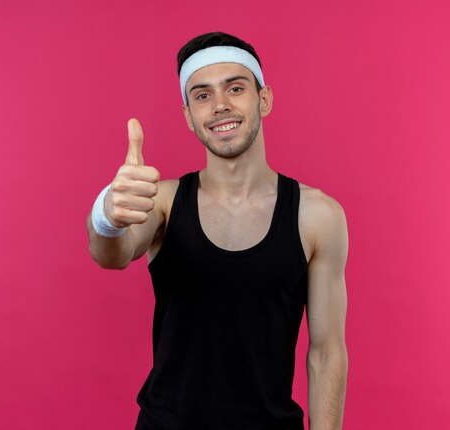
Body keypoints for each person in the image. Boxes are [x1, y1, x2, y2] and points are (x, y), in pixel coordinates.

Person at [86, 32, 348, 430]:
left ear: (264, 99)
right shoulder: (162, 202)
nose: (220, 105)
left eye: (235, 88)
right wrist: (107, 213)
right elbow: (112, 256)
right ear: (189, 116)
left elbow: (326, 352)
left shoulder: (317, 215)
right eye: (202, 95)